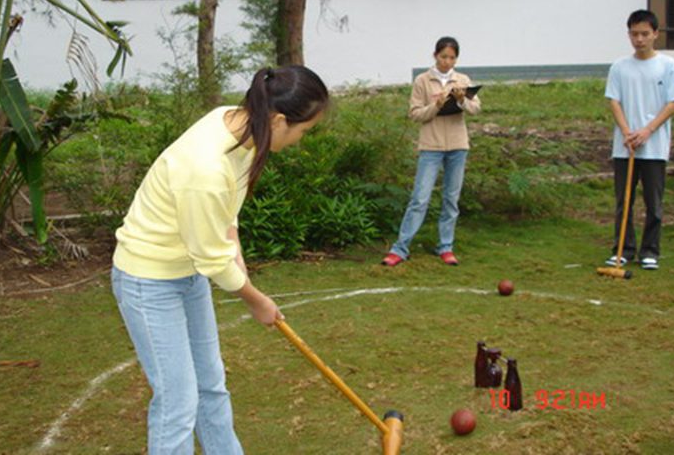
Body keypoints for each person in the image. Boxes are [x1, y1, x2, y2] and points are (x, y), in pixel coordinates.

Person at [111, 66, 329, 454]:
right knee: (177, 402)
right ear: (280, 120)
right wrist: (255, 299)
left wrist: (236, 254)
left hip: (188, 273)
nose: (301, 140)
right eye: (304, 130)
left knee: (210, 385)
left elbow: (225, 214)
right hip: (149, 279)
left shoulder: (237, 126)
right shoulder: (205, 168)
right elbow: (212, 259)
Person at [382, 36, 481, 267]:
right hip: (431, 147)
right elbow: (415, 114)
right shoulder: (422, 81)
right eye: (443, 56)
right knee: (420, 198)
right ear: (435, 55)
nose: (447, 61)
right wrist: (436, 105)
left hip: (458, 146)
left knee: (451, 199)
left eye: (452, 57)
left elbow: (476, 108)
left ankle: (445, 246)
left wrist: (461, 101)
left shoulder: (462, 80)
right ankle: (400, 248)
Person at [603, 9, 674, 271]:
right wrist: (627, 131)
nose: (639, 39)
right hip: (625, 146)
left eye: (644, 34)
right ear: (629, 35)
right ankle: (623, 249)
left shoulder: (668, 66)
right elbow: (614, 101)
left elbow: (672, 104)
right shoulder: (619, 67)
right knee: (624, 201)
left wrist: (647, 131)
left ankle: (650, 251)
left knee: (653, 202)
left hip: (654, 146)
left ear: (655, 34)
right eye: (634, 34)